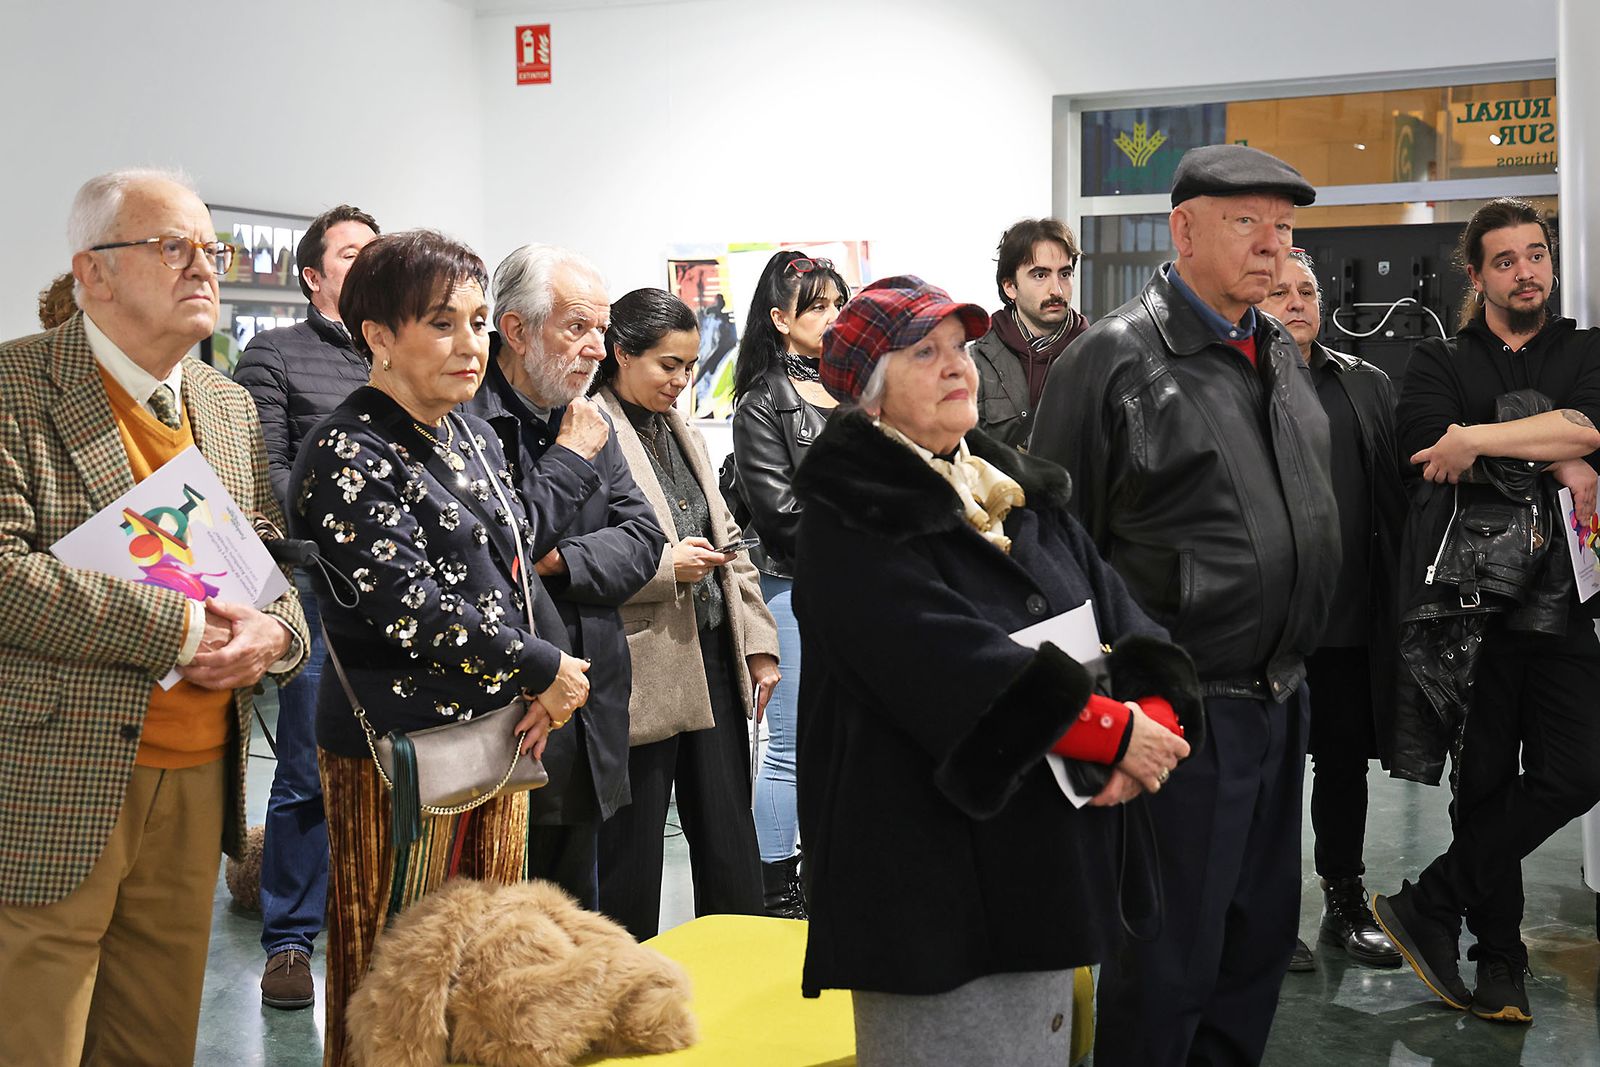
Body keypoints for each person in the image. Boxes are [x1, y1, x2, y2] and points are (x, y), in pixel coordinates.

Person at [792, 274, 1197, 1067]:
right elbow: (949, 668)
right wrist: (1113, 733)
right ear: (869, 397)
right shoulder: (850, 519)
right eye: (924, 353)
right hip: (929, 884)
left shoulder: (1013, 489)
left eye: (962, 348)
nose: (958, 368)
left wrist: (1157, 716)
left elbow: (1126, 618)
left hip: (1041, 853)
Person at [1030, 144, 1340, 1066]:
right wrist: (1099, 722)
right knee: (1167, 967)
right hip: (1180, 712)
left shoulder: (1277, 346)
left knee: (1254, 951)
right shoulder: (1113, 359)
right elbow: (1055, 551)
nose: (1272, 250)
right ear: (1185, 227)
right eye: (1248, 223)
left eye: (1283, 230)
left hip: (1281, 698)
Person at [0, 168, 308, 1065]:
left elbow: (265, 559)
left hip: (200, 773)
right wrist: (176, 631)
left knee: (155, 1040)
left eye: (209, 250)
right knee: (37, 1034)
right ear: (92, 273)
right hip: (60, 772)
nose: (203, 268)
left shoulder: (223, 403)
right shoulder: (16, 391)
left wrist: (278, 633)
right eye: (171, 247)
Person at [290, 229, 590, 1067]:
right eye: (442, 323)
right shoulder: (347, 449)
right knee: (396, 973)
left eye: (478, 321)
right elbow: (410, 608)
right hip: (402, 750)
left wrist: (546, 679)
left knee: (492, 959)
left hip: (500, 734)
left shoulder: (471, 434)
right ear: (378, 337)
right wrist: (542, 666)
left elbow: (513, 568)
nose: (472, 345)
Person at [1375, 197, 1600, 1025]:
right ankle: (1498, 957)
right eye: (1505, 260)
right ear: (1477, 275)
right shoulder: (1439, 359)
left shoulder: (1585, 348)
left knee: (1578, 770)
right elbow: (1430, 455)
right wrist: (1553, 452)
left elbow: (1590, 421)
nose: (1526, 271)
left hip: (1567, 602)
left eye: (1535, 255)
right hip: (1466, 609)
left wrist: (1485, 439)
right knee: (1483, 786)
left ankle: (1432, 899)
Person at [462, 243, 665, 908]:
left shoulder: (584, 416)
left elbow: (643, 539)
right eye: (577, 327)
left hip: (588, 704)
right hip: (503, 711)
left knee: (570, 915)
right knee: (495, 920)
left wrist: (556, 559)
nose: (597, 349)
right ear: (515, 330)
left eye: (601, 330)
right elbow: (485, 552)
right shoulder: (465, 419)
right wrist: (570, 462)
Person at [591, 287, 781, 939]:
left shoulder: (681, 429)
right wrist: (665, 568)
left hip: (710, 654)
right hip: (640, 668)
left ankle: (741, 976)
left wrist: (758, 641)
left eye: (690, 366)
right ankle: (623, 991)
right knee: (632, 855)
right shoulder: (588, 429)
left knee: (730, 838)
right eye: (668, 364)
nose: (681, 380)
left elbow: (731, 541)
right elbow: (569, 559)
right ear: (620, 353)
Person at [233, 202, 380, 1010]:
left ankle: (385, 918)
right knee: (305, 769)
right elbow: (272, 476)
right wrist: (368, 519)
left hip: (404, 600)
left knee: (404, 765)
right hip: (318, 593)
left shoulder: (399, 351)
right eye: (352, 251)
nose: (369, 260)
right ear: (315, 275)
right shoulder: (275, 353)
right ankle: (290, 939)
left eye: (377, 249)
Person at [1260, 250, 1404, 972]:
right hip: (1271, 624)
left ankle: (1345, 900)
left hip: (1349, 620)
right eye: (1279, 290)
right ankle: (1266, 914)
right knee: (1271, 775)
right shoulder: (1236, 381)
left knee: (1344, 767)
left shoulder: (1366, 383)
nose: (1296, 301)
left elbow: (1395, 495)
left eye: (1307, 289)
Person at [730, 248, 849, 916]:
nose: (833, 316)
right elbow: (779, 517)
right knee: (791, 747)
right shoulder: (762, 404)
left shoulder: (854, 392)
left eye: (838, 302)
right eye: (817, 306)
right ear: (779, 319)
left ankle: (830, 871)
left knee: (844, 741)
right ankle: (775, 887)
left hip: (857, 589)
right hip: (792, 587)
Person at [972, 218, 1090, 449]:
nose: (1056, 290)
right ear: (1010, 287)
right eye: (1040, 275)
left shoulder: (1098, 355)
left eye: (1064, 274)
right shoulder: (977, 360)